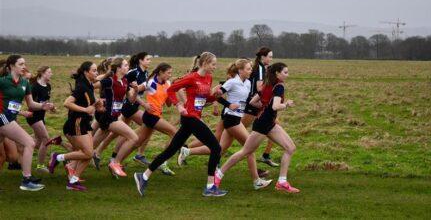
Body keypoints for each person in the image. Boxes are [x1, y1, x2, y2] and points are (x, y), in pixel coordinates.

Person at [134, 52, 227, 197]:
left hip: (194, 118)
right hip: (190, 117)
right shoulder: (191, 77)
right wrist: (178, 105)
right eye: (213, 64)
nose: (215, 67)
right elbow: (171, 90)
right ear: (204, 63)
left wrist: (215, 95)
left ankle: (144, 176)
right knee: (216, 147)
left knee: (171, 150)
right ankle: (210, 187)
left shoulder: (208, 78)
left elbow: (204, 96)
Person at [215, 62, 300, 194]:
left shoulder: (267, 85)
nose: (287, 75)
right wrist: (286, 104)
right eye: (285, 72)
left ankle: (282, 182)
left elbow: (253, 102)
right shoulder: (279, 87)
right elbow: (275, 106)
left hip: (268, 122)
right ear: (277, 73)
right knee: (246, 152)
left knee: (290, 147)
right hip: (263, 124)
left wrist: (265, 105)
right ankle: (218, 175)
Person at [0, 55, 54, 191]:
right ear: (11, 66)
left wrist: (42, 106)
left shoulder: (25, 83)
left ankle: (27, 178)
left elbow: (31, 104)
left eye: (24, 64)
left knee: (6, 155)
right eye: (20, 64)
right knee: (29, 142)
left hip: (10, 118)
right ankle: (26, 179)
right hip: (3, 118)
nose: (24, 66)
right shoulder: (3, 81)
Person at [48, 61, 100, 191]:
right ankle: (58, 157)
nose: (96, 72)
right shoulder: (82, 86)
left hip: (84, 123)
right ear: (86, 72)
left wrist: (96, 105)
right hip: (76, 123)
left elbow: (88, 103)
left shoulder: (89, 85)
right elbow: (67, 103)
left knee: (88, 154)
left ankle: (73, 181)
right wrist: (85, 110)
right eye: (94, 70)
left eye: (97, 70)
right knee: (88, 153)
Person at [91, 58, 139, 178]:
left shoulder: (125, 81)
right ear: (118, 68)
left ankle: (68, 162)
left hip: (114, 116)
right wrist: (97, 101)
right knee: (133, 137)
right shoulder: (109, 81)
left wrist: (136, 90)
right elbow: (90, 87)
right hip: (108, 117)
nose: (128, 67)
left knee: (89, 148)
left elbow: (131, 100)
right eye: (125, 65)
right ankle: (115, 163)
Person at [241, 47, 278, 167]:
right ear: (263, 57)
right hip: (253, 104)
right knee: (234, 132)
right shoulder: (261, 68)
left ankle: (265, 156)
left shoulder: (263, 68)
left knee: (275, 125)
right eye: (270, 56)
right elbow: (259, 88)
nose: (271, 59)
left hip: (259, 105)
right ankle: (217, 156)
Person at [26, 66, 55, 173]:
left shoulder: (48, 86)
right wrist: (43, 105)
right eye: (49, 72)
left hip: (41, 117)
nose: (51, 74)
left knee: (37, 143)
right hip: (33, 116)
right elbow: (31, 105)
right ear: (42, 73)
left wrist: (51, 107)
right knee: (46, 139)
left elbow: (45, 102)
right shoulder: (34, 87)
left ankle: (19, 144)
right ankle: (40, 166)